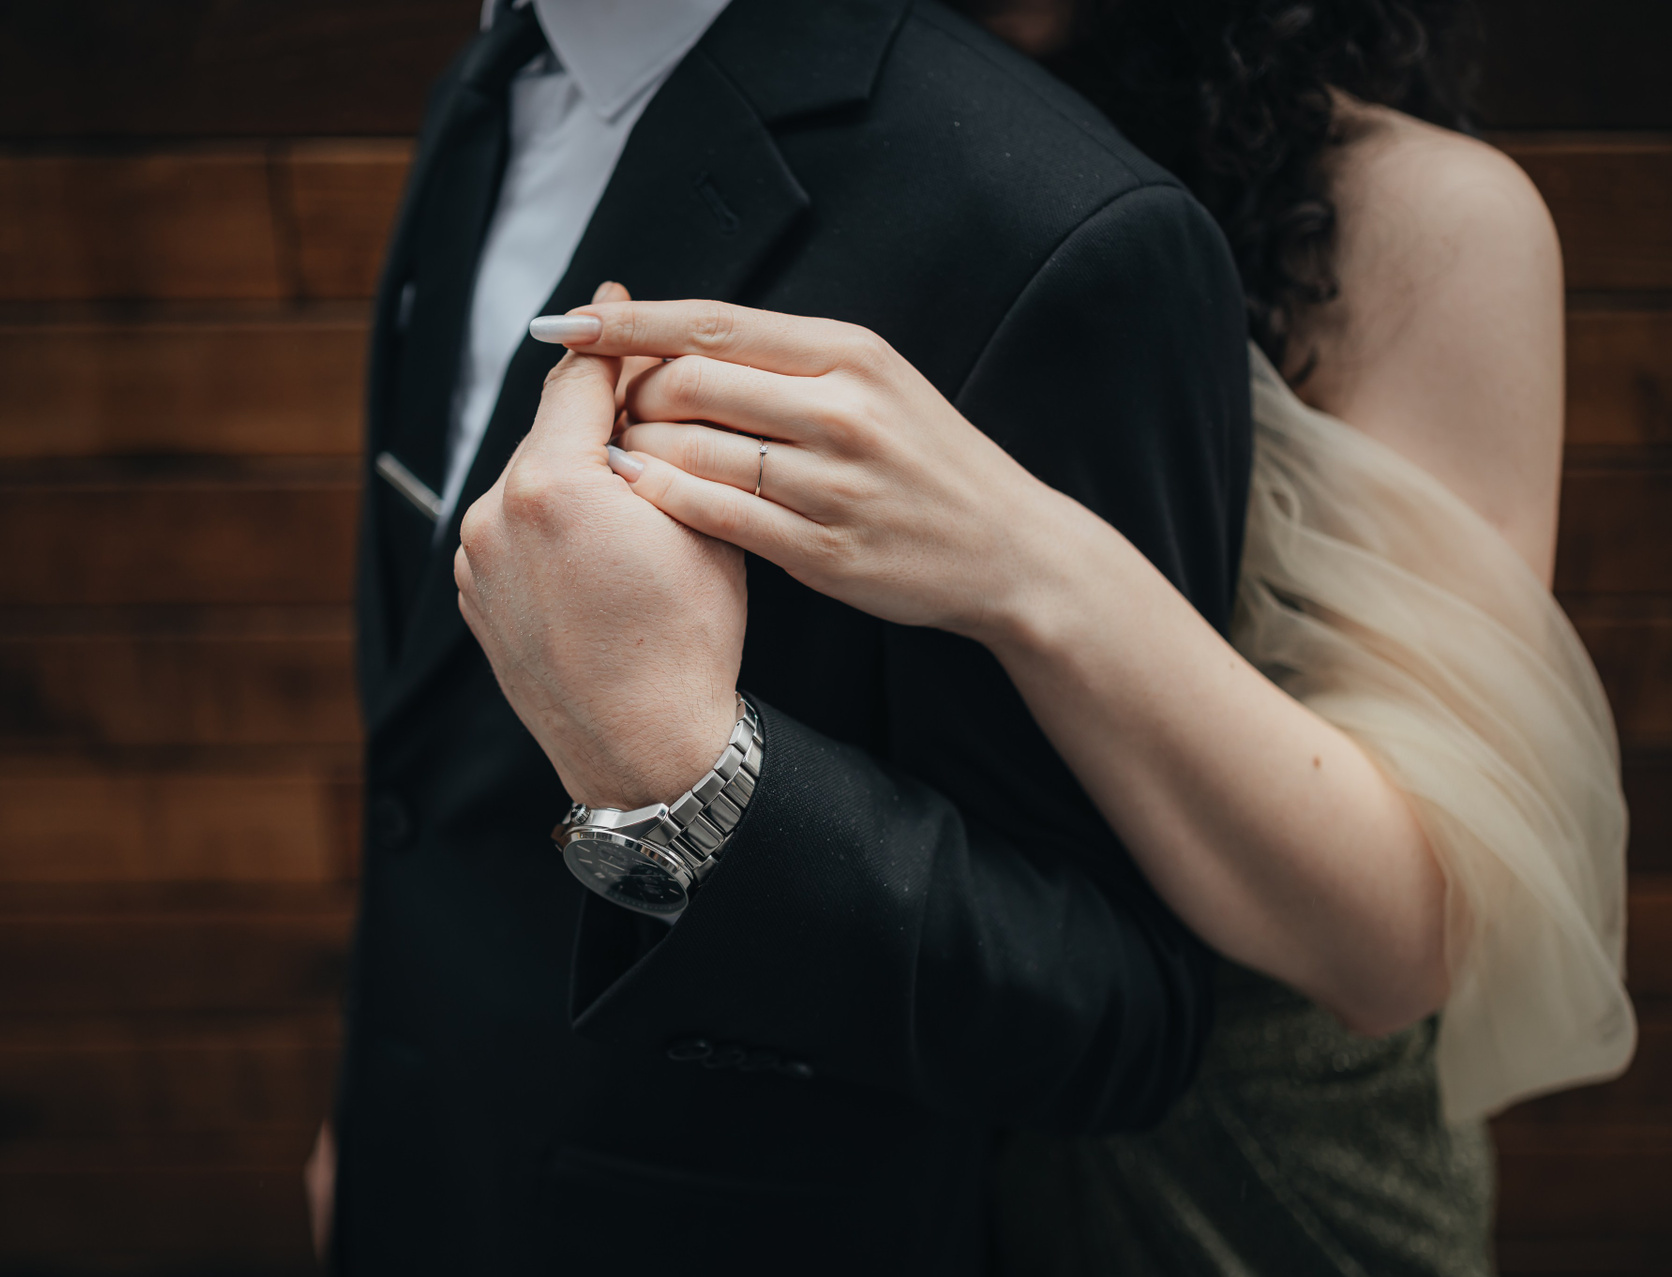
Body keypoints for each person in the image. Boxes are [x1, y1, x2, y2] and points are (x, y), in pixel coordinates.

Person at [531, 0, 1634, 1271]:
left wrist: (1020, 555)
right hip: (892, 1126)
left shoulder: (1430, 218)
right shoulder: (796, 106)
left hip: (1240, 1178)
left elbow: (1404, 939)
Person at [322, 0, 1260, 1270]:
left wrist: (686, 777)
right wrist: (378, 1112)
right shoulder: (494, 75)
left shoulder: (1053, 220)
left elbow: (1124, 1017)